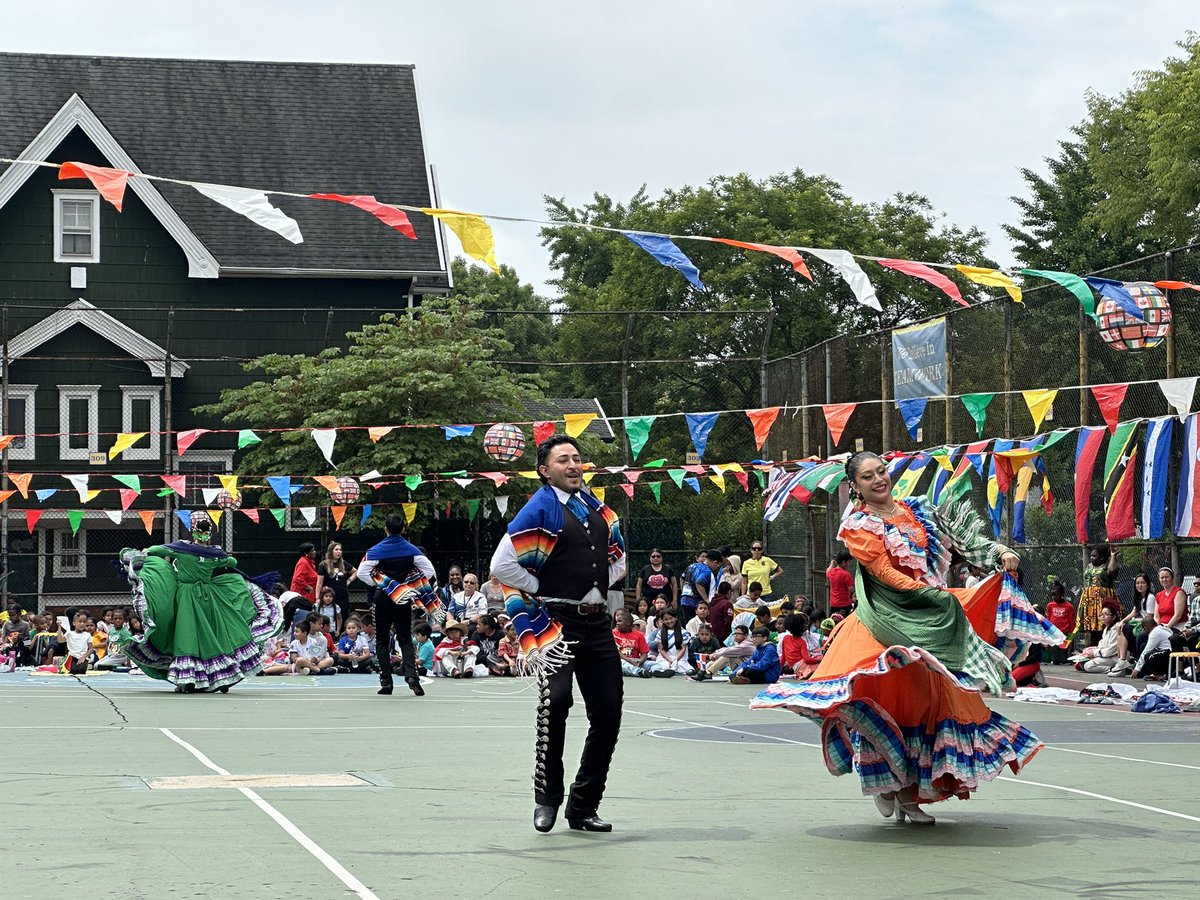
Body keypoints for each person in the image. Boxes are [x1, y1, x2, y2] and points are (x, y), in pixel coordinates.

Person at [751, 450, 1063, 826]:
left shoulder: (920, 510)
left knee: (931, 704)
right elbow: (884, 572)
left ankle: (911, 793)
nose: (879, 479)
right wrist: (931, 595)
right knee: (892, 701)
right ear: (856, 486)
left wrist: (999, 552)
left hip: (930, 618)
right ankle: (889, 785)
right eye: (868, 476)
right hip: (887, 621)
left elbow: (967, 541)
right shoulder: (859, 525)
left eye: (881, 471)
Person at [488, 434, 626, 834]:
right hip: (557, 624)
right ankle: (547, 799)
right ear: (545, 470)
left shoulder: (597, 510)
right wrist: (541, 589)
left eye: (577, 459)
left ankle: (583, 806)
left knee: (609, 713)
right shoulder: (539, 509)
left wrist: (596, 588)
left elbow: (617, 560)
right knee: (556, 704)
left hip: (597, 623)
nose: (573, 465)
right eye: (563, 459)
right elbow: (502, 563)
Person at [117, 515, 284, 692]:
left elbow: (156, 550)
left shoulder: (182, 548)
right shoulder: (215, 552)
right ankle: (223, 676)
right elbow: (232, 561)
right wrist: (218, 558)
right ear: (209, 533)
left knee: (188, 636)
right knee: (214, 636)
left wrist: (146, 552)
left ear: (194, 532)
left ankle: (189, 680)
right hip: (210, 596)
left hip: (186, 597)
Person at [357, 513, 437, 697]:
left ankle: (386, 681)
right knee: (405, 639)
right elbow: (429, 571)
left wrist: (381, 582)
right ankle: (412, 678)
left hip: (383, 597)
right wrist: (409, 584)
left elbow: (362, 573)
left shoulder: (376, 550)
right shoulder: (411, 549)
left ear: (385, 529)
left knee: (382, 640)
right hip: (403, 597)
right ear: (403, 529)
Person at [1078, 545, 1119, 646]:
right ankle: (1090, 650)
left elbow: (1112, 571)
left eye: (1094, 556)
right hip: (1089, 601)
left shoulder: (1107, 566)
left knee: (1103, 625)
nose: (1091, 558)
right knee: (1090, 629)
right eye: (1091, 556)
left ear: (1102, 557)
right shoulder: (1089, 566)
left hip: (1102, 600)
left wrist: (1113, 556)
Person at [612, 607, 665, 678]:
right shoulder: (613, 634)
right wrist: (629, 660)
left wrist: (640, 661)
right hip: (621, 660)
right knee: (621, 664)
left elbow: (644, 653)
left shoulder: (639, 635)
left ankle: (656, 671)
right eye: (617, 621)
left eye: (620, 621)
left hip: (636, 660)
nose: (617, 623)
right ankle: (640, 672)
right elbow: (616, 652)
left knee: (653, 664)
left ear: (628, 623)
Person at [315, 542, 357, 627]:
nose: (339, 552)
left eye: (340, 550)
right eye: (336, 549)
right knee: (330, 616)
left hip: (342, 594)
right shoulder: (323, 565)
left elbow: (356, 572)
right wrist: (317, 597)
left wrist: (349, 580)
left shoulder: (343, 563)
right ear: (331, 551)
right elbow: (319, 583)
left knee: (343, 615)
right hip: (330, 596)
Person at [1077, 607, 1126, 674]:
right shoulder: (1106, 628)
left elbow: (1111, 650)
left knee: (1087, 666)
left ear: (1113, 617)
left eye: (1106, 614)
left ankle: (1113, 669)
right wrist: (1092, 652)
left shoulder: (1116, 628)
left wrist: (1095, 653)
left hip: (1113, 657)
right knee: (1081, 663)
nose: (1102, 616)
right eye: (1101, 614)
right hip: (1104, 655)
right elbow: (1102, 644)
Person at [646, 607, 692, 676]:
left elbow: (683, 649)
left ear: (676, 618)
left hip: (680, 659)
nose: (669, 621)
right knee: (663, 665)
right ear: (663, 621)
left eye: (671, 618)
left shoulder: (684, 632)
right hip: (665, 658)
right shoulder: (660, 633)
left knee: (680, 666)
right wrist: (669, 659)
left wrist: (676, 660)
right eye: (666, 619)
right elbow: (662, 650)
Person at [780, 613, 822, 679]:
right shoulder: (801, 642)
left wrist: (778, 670)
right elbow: (807, 660)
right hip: (803, 667)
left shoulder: (786, 638)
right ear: (802, 627)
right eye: (804, 624)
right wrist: (821, 660)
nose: (806, 625)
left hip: (795, 668)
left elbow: (783, 657)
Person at [1043, 582, 1075, 664]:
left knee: (1063, 659)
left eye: (1055, 595)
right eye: (1052, 595)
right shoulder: (1050, 605)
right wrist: (1047, 636)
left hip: (1064, 634)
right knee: (1056, 660)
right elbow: (1048, 621)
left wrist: (1071, 639)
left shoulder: (1069, 606)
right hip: (1054, 634)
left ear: (1061, 594)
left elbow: (1071, 623)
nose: (1053, 597)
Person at [827, 551, 854, 617]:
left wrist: (831, 564)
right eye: (848, 562)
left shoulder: (831, 571)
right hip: (845, 605)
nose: (849, 564)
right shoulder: (846, 574)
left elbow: (827, 571)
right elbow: (851, 589)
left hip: (833, 604)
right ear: (844, 562)